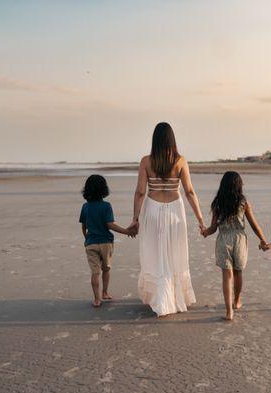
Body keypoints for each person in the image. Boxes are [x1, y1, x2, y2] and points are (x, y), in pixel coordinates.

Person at [129, 122, 205, 317]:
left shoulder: (146, 161)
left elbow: (140, 192)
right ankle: (174, 296)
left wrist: (135, 218)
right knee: (174, 252)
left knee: (154, 252)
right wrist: (200, 219)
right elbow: (189, 191)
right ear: (172, 139)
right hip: (175, 210)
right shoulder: (180, 161)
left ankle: (159, 297)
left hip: (152, 209)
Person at [201, 171, 268, 321]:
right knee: (238, 273)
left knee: (227, 276)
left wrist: (205, 232)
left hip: (223, 240)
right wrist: (263, 240)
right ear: (238, 185)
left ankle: (229, 311)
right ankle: (237, 301)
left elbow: (213, 228)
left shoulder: (217, 203)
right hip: (239, 239)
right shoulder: (243, 202)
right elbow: (253, 224)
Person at [79, 174, 135, 307]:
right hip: (106, 243)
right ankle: (105, 292)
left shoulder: (85, 207)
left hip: (91, 243)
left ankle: (97, 299)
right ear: (104, 189)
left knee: (95, 272)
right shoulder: (106, 206)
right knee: (106, 269)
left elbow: (83, 226)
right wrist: (126, 231)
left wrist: (86, 238)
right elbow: (110, 225)